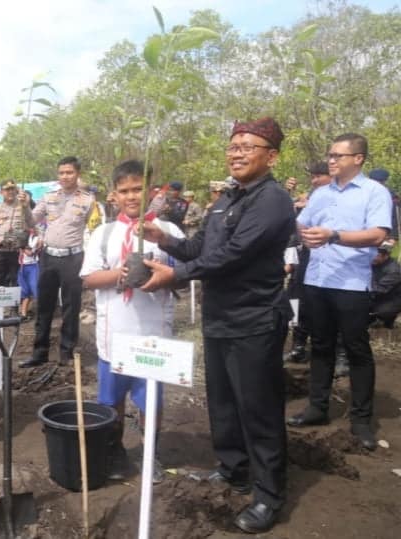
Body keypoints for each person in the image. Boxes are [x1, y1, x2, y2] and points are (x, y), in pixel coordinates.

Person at [139, 118, 295, 534]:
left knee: (258, 409)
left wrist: (176, 275)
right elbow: (199, 247)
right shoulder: (226, 199)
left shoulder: (273, 200)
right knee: (223, 402)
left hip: (255, 319)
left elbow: (236, 255)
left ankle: (268, 494)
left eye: (248, 146)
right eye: (233, 146)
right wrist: (163, 240)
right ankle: (233, 469)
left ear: (271, 156)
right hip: (220, 318)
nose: (237, 152)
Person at [81, 159, 184, 484]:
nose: (131, 196)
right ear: (113, 195)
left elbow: (187, 275)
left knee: (150, 399)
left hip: (154, 335)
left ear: (151, 190)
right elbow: (89, 278)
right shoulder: (104, 233)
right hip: (115, 335)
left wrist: (166, 276)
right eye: (124, 191)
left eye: (138, 189)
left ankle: (150, 453)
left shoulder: (169, 232)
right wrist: (120, 274)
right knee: (111, 400)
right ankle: (113, 452)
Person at [288, 133, 392, 453]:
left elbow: (378, 233)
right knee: (320, 346)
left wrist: (333, 235)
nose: (331, 161)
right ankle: (317, 408)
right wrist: (303, 235)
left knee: (356, 349)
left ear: (358, 159)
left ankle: (360, 420)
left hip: (351, 284)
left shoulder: (375, 193)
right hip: (317, 280)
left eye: (338, 156)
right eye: (330, 155)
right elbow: (301, 224)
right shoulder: (320, 193)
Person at [19, 156, 96, 368]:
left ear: (77, 174)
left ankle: (66, 352)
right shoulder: (48, 197)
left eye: (69, 172)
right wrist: (25, 206)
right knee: (44, 305)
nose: (65, 176)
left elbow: (94, 229)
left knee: (71, 307)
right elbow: (31, 221)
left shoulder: (88, 200)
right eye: (61, 173)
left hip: (73, 258)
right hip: (48, 258)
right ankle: (39, 352)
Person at [285, 162, 332, 363]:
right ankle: (298, 344)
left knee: (329, 305)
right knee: (296, 300)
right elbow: (293, 234)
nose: (314, 181)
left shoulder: (340, 199)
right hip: (304, 258)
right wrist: (289, 261)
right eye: (312, 177)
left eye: (318, 176)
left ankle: (338, 352)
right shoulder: (307, 201)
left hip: (332, 262)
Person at [0, 179, 33, 287]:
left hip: (17, 251)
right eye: (7, 190)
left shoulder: (23, 206)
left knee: (16, 282)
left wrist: (26, 206)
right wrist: (0, 241)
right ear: (1, 192)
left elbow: (31, 222)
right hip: (1, 251)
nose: (10, 192)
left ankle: (15, 304)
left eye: (12, 189)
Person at [370, 241, 401, 328]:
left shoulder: (394, 271)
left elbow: (380, 289)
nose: (372, 258)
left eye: (376, 255)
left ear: (386, 256)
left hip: (391, 298)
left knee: (381, 312)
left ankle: (388, 319)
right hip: (377, 294)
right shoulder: (373, 263)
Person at [367, 168, 398, 243]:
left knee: (383, 252)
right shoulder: (364, 193)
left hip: (385, 232)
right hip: (367, 232)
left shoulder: (391, 196)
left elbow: (394, 216)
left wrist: (393, 236)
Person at [18, 227, 39, 321]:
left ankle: (42, 313)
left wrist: (25, 248)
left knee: (35, 289)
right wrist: (22, 247)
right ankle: (23, 314)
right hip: (23, 267)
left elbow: (30, 253)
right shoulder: (22, 236)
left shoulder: (38, 238)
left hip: (33, 266)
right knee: (25, 291)